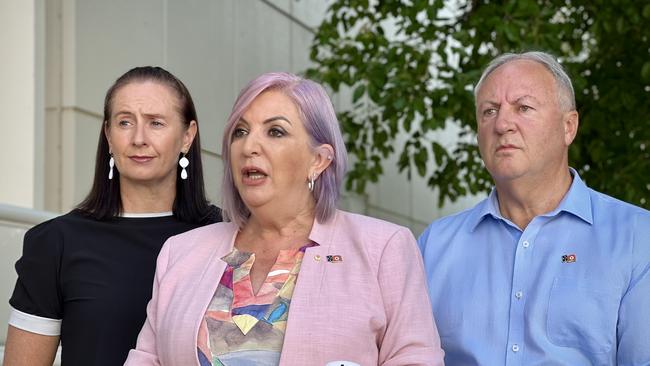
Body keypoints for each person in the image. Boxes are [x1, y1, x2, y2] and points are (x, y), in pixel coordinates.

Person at [124, 72, 445, 366]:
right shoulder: (180, 252)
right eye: (240, 131)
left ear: (318, 160)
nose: (250, 146)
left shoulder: (384, 248)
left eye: (275, 131)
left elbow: (416, 359)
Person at [418, 51, 650, 365]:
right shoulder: (434, 246)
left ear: (569, 127)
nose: (502, 124)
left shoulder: (637, 237)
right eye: (489, 111)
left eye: (523, 107)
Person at [3, 66, 222, 366]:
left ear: (187, 136)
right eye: (124, 122)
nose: (138, 138)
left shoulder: (226, 236)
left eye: (156, 123)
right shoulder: (56, 243)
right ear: (108, 134)